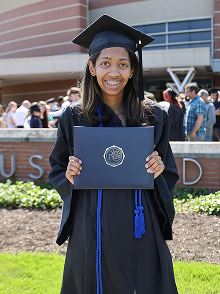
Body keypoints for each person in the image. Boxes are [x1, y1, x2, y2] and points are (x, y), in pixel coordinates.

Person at [48, 15, 179, 294]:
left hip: (139, 221)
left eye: (123, 64)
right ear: (92, 68)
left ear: (133, 70)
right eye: (105, 63)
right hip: (92, 223)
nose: (114, 72)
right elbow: (57, 169)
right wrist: (69, 175)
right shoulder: (73, 116)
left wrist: (158, 168)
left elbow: (168, 171)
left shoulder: (153, 115)